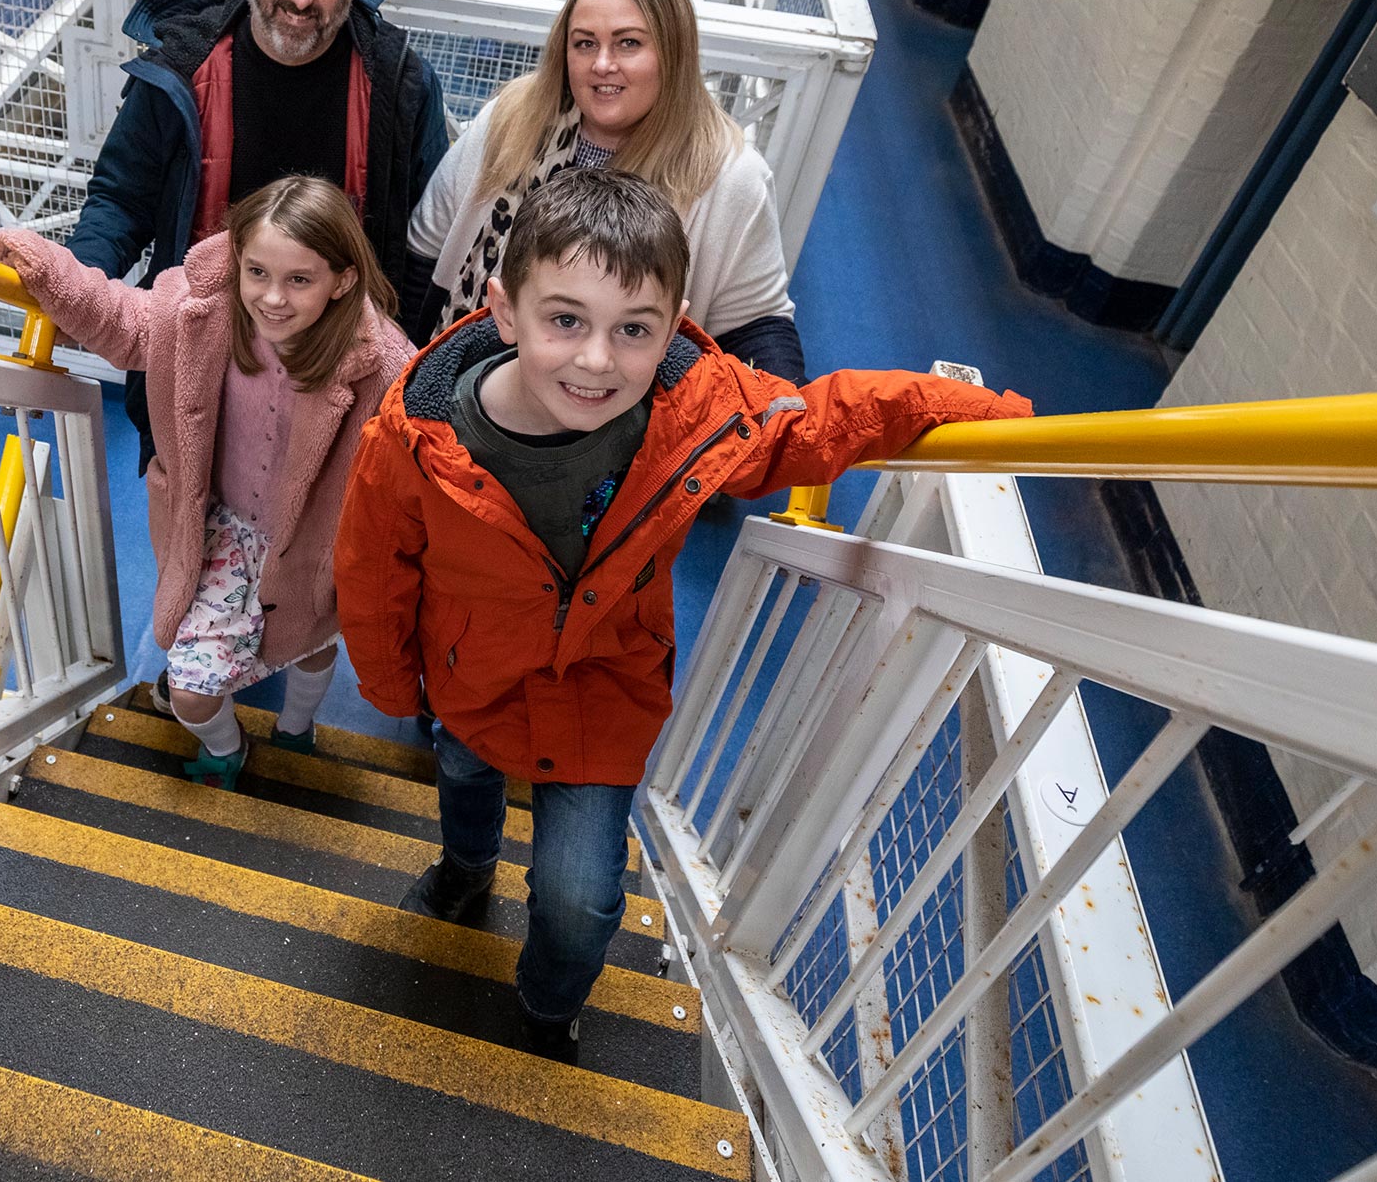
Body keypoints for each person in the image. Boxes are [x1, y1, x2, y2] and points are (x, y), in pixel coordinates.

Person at [335, 169, 1031, 1061]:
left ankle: (547, 1005)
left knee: (581, 900)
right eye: (565, 320)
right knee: (464, 779)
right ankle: (464, 872)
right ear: (504, 311)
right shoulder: (417, 435)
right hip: (472, 673)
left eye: (633, 330)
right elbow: (373, 569)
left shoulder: (688, 406)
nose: (596, 361)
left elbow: (813, 420)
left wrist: (978, 419)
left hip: (602, 690)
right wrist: (395, 680)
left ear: (674, 323)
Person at [0, 176, 413, 786]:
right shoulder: (200, 314)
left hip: (315, 542)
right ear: (236, 260)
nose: (272, 297)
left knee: (314, 637)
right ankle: (229, 747)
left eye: (300, 279)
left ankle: (298, 730)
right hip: (223, 528)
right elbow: (119, 317)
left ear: (343, 280)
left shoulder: (382, 364)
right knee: (191, 692)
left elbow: (421, 455)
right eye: (257, 272)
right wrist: (43, 265)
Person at [65, 0, 450, 460]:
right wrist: (81, 279)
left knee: (315, 531)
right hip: (202, 355)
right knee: (186, 515)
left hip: (336, 374)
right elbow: (122, 197)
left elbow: (426, 238)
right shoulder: (183, 72)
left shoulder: (399, 87)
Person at [407, 0, 807, 383]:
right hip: (470, 384)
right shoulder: (511, 119)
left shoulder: (729, 175)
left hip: (614, 411)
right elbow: (423, 254)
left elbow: (758, 333)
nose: (602, 64)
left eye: (628, 43)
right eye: (585, 43)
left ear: (673, 54)